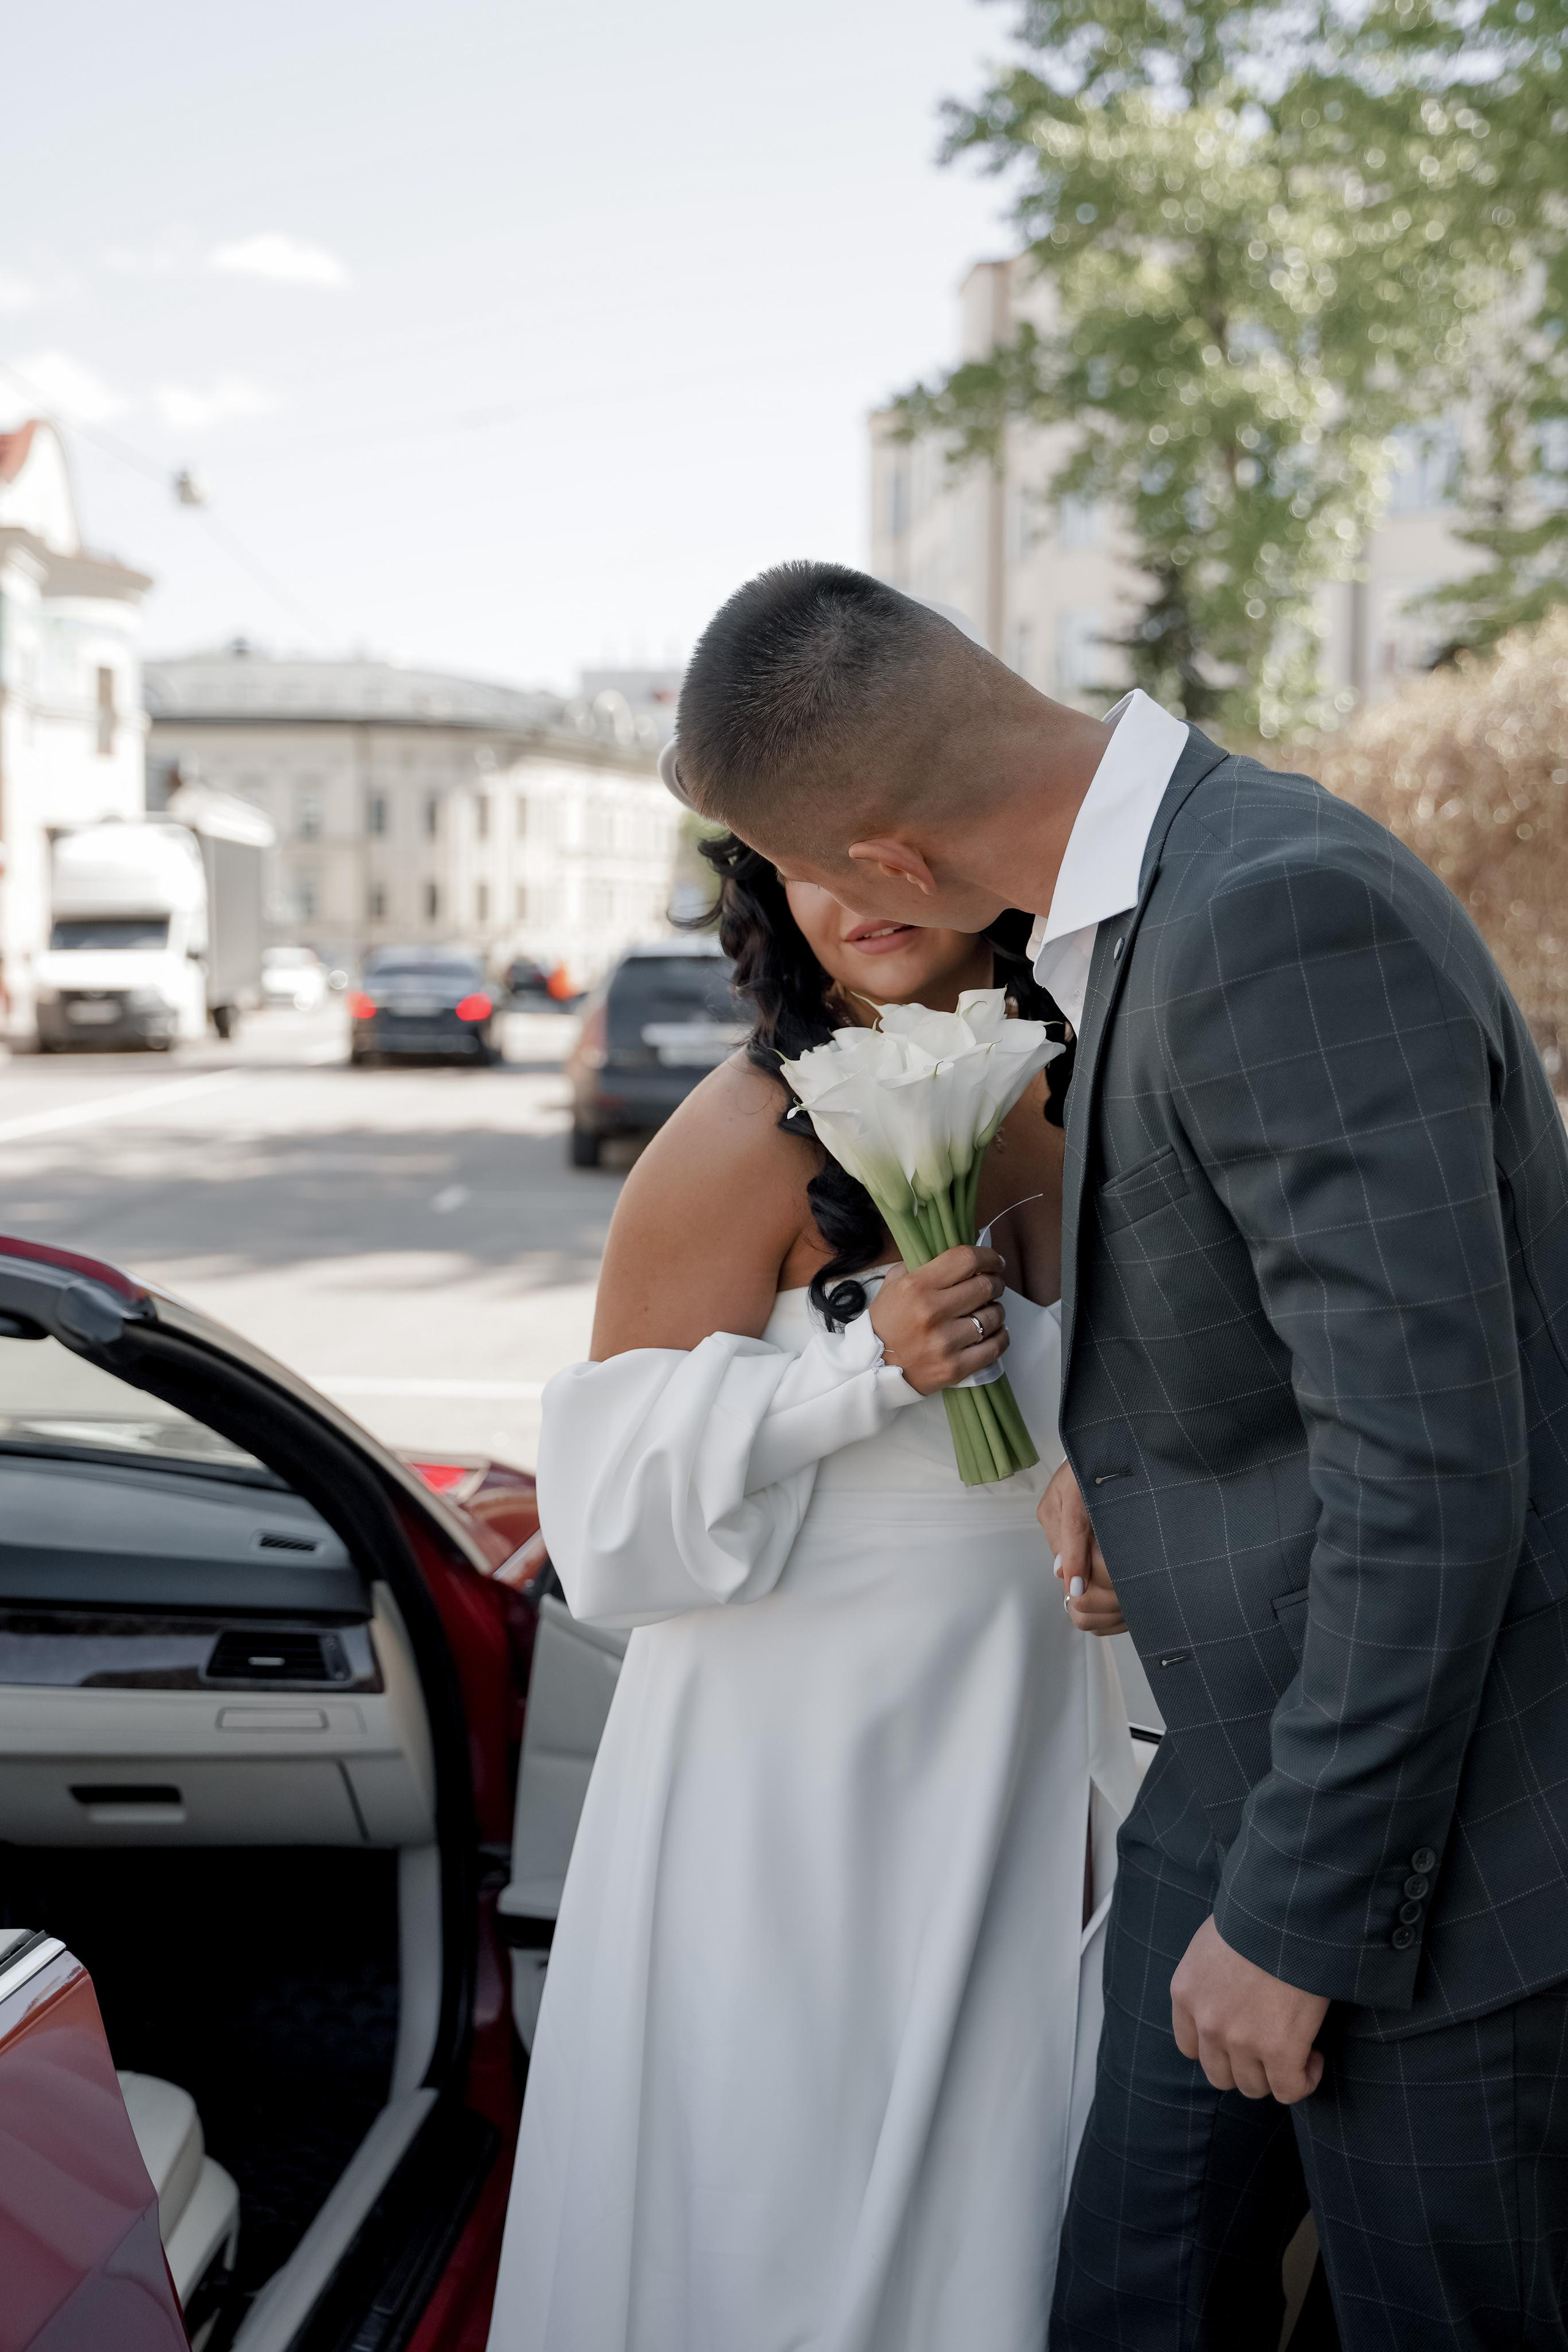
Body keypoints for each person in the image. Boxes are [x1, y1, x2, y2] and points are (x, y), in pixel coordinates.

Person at [667, 560, 1568, 2350]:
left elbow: (1436, 1472)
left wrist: (1300, 1924)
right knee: (1131, 2302)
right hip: (1234, 1785)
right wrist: (1126, 1452)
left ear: (895, 864)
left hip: (1425, 1862)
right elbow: (1301, 1355)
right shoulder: (1169, 897)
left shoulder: (1278, 908)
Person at [486, 838, 1140, 2352]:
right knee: (775, 2197)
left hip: (1028, 1732)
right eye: (798, 862)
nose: (856, 894)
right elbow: (606, 1519)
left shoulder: (1100, 1092)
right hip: (780, 1778)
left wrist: (1139, 1518)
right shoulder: (735, 1133)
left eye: (887, 838)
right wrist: (853, 1371)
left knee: (1006, 2186)